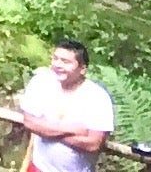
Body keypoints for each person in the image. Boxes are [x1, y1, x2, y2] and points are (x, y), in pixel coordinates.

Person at [12, 43, 117, 172]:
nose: (58, 65)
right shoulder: (41, 82)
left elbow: (93, 144)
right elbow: (29, 122)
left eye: (66, 62)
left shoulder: (98, 98)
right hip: (38, 167)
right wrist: (73, 129)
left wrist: (45, 130)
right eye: (55, 59)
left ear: (82, 69)